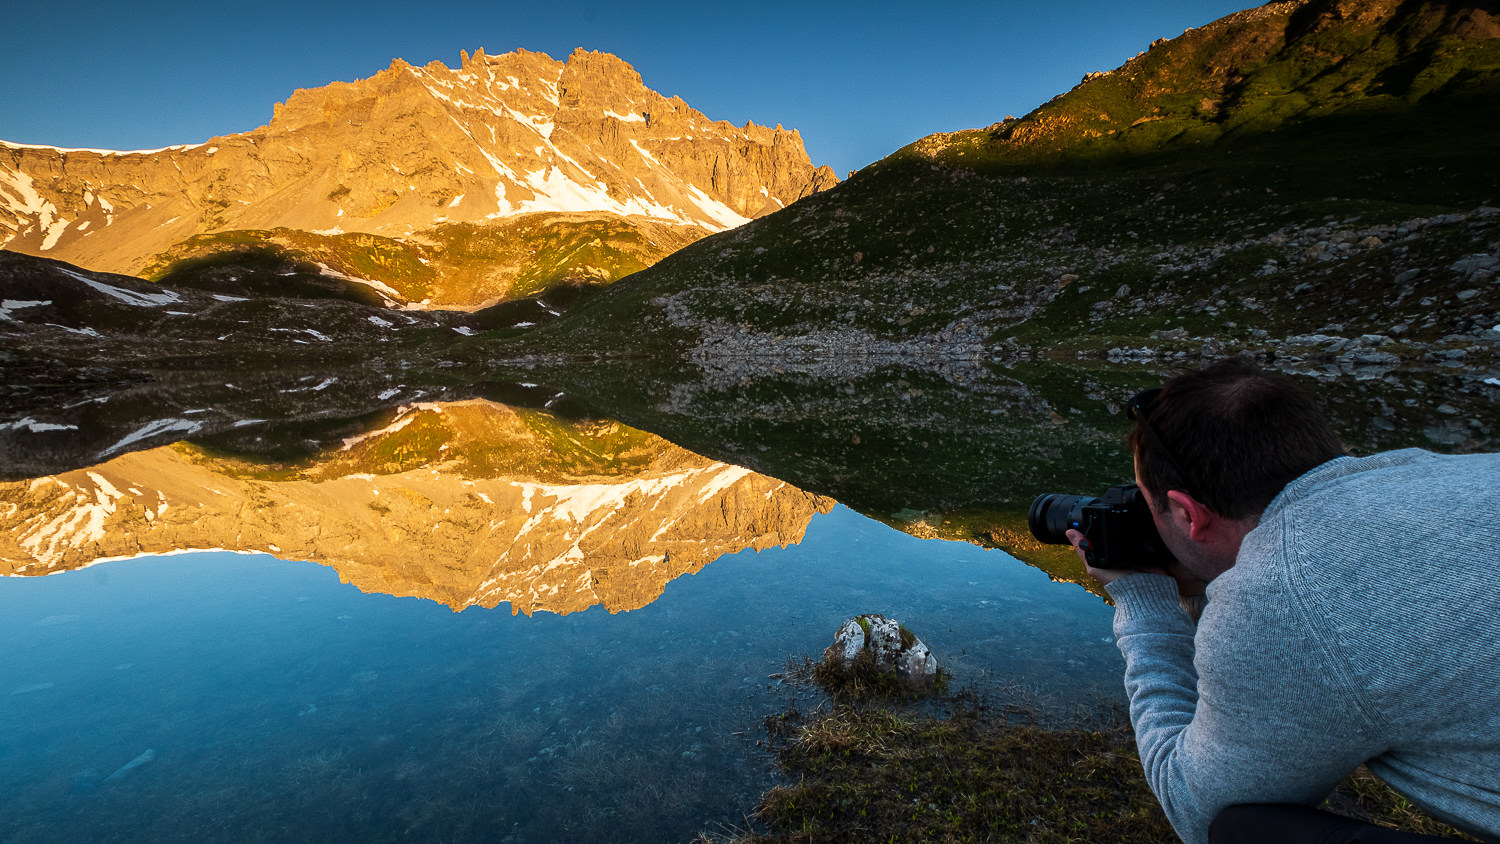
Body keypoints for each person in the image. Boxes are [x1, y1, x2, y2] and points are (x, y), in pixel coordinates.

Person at [1068, 358, 1500, 844]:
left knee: (1242, 829)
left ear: (1189, 514)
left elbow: (1196, 810)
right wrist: (1219, 573)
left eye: (1153, 510)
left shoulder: (1281, 595)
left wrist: (1145, 603)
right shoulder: (1440, 467)